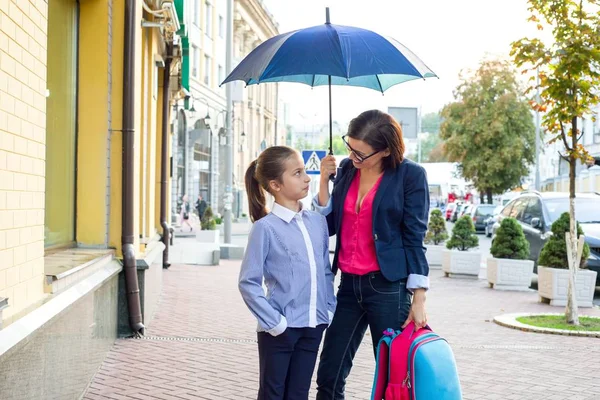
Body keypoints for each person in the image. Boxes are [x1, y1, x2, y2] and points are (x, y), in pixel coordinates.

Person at [313, 110, 430, 399]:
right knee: (329, 373)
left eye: (361, 153)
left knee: (393, 378)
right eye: (349, 147)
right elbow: (327, 227)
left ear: (386, 150)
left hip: (388, 288)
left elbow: (415, 237)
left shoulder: (410, 176)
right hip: (349, 287)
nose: (353, 156)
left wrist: (419, 299)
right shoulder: (346, 169)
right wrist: (323, 185)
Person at [238, 146, 337, 400]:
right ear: (275, 185)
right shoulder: (265, 229)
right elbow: (248, 283)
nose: (306, 178)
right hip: (280, 330)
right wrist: (275, 323)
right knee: (272, 395)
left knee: (298, 394)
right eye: (297, 173)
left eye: (304, 171)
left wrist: (328, 309)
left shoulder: (317, 223)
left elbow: (325, 270)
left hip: (313, 325)